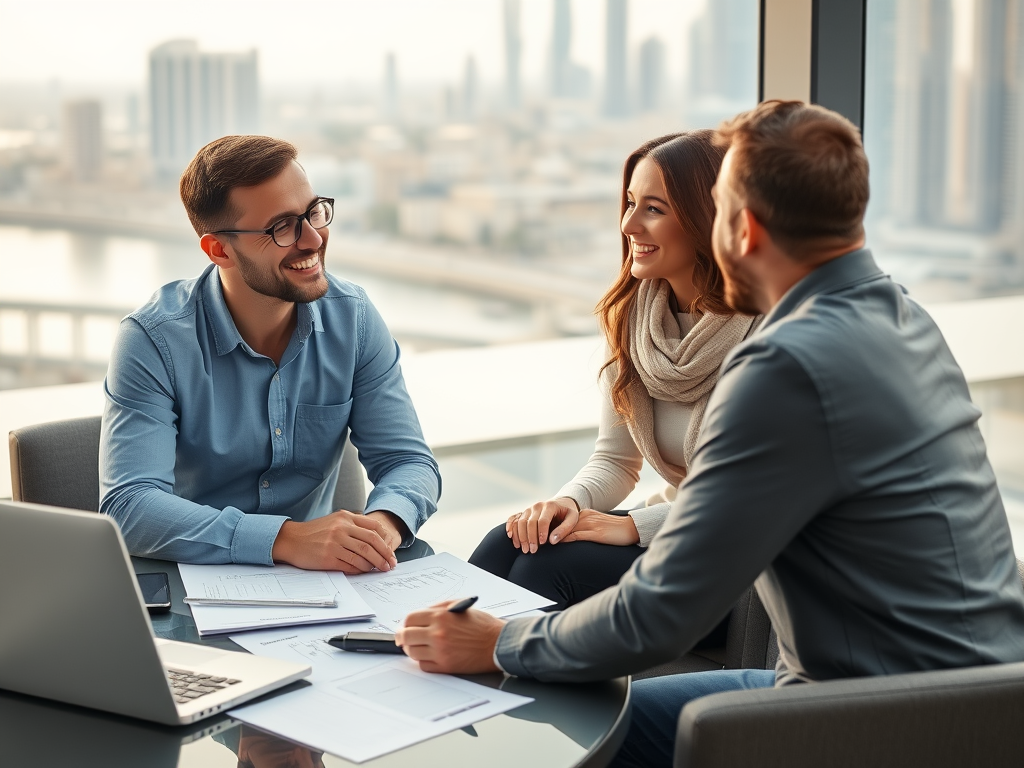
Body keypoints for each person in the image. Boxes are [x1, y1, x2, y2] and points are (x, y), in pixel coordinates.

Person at [394, 101, 1024, 767]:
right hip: (985, 693)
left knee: (571, 735)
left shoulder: (784, 366)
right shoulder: (901, 316)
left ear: (742, 228)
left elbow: (659, 615)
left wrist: (499, 644)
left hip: (883, 717)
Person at [100, 136, 440, 572]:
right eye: (282, 227)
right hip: (193, 586)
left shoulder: (352, 317)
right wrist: (286, 538)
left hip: (324, 584)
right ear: (219, 249)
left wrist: (383, 524)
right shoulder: (153, 340)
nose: (314, 238)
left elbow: (408, 461)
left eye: (313, 212)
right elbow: (129, 507)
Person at [468, 131, 760, 614]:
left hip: (746, 557)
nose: (628, 225)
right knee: (512, 541)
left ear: (708, 219)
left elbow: (757, 497)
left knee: (549, 568)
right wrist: (570, 505)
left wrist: (633, 527)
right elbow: (617, 461)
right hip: (676, 526)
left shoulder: (767, 334)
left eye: (654, 209)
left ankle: (492, 679)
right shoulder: (636, 318)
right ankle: (426, 666)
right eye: (629, 204)